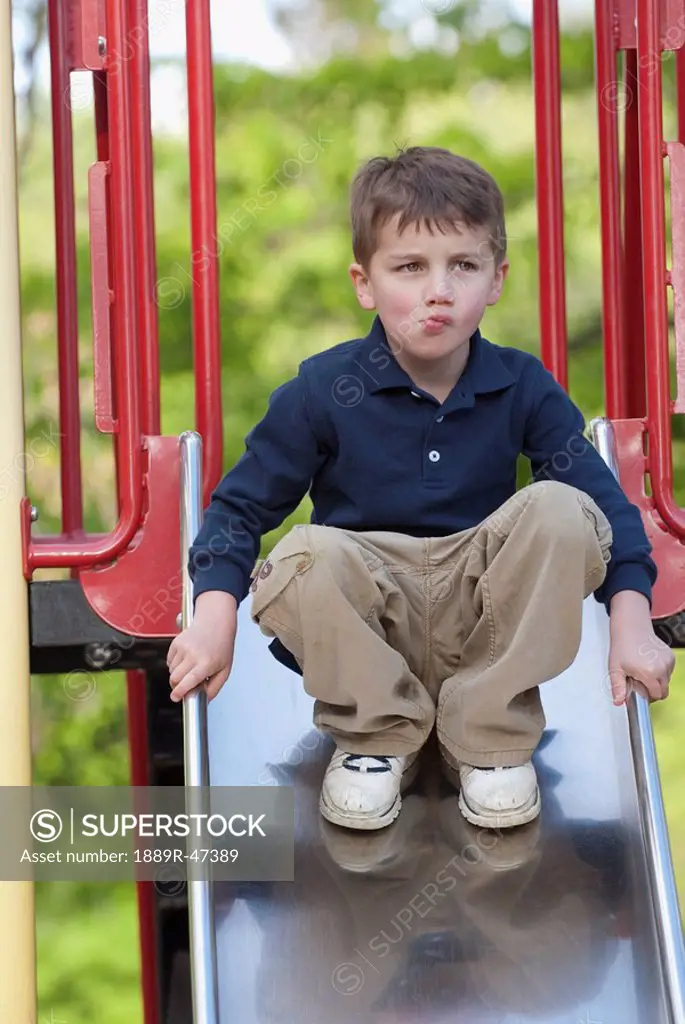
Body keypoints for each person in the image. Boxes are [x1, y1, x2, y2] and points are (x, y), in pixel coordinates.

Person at [166, 146, 674, 832]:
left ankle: (488, 734)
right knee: (303, 556)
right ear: (364, 283)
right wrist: (213, 612)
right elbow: (240, 507)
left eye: (462, 266)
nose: (439, 290)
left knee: (563, 508)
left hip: (480, 613)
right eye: (409, 267)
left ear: (495, 280)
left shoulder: (520, 385)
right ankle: (377, 736)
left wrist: (630, 616)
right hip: (371, 624)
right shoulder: (324, 389)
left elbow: (603, 508)